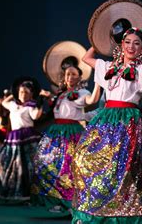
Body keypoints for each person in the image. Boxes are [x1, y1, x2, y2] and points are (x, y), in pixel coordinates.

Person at [71, 27, 142, 223]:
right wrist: (99, 39)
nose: (131, 47)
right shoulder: (108, 66)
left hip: (128, 121)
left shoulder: (141, 69)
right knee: (87, 160)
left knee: (124, 169)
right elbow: (87, 58)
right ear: (121, 44)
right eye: (127, 42)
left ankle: (126, 216)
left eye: (137, 43)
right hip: (106, 119)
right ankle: (94, 211)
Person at [32, 57, 101, 213]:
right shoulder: (61, 94)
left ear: (79, 77)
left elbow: (92, 100)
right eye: (67, 74)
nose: (70, 77)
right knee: (48, 165)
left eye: (73, 74)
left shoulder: (82, 92)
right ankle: (59, 201)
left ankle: (72, 204)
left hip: (72, 132)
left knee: (69, 168)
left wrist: (98, 82)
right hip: (56, 133)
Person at [0, 77, 43, 201]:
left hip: (27, 136)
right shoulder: (13, 104)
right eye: (21, 92)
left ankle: (28, 193)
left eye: (26, 92)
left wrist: (40, 102)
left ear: (30, 94)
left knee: (27, 165)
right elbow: (4, 103)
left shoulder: (31, 106)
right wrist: (12, 94)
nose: (23, 95)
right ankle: (12, 190)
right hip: (14, 137)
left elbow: (35, 116)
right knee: (5, 161)